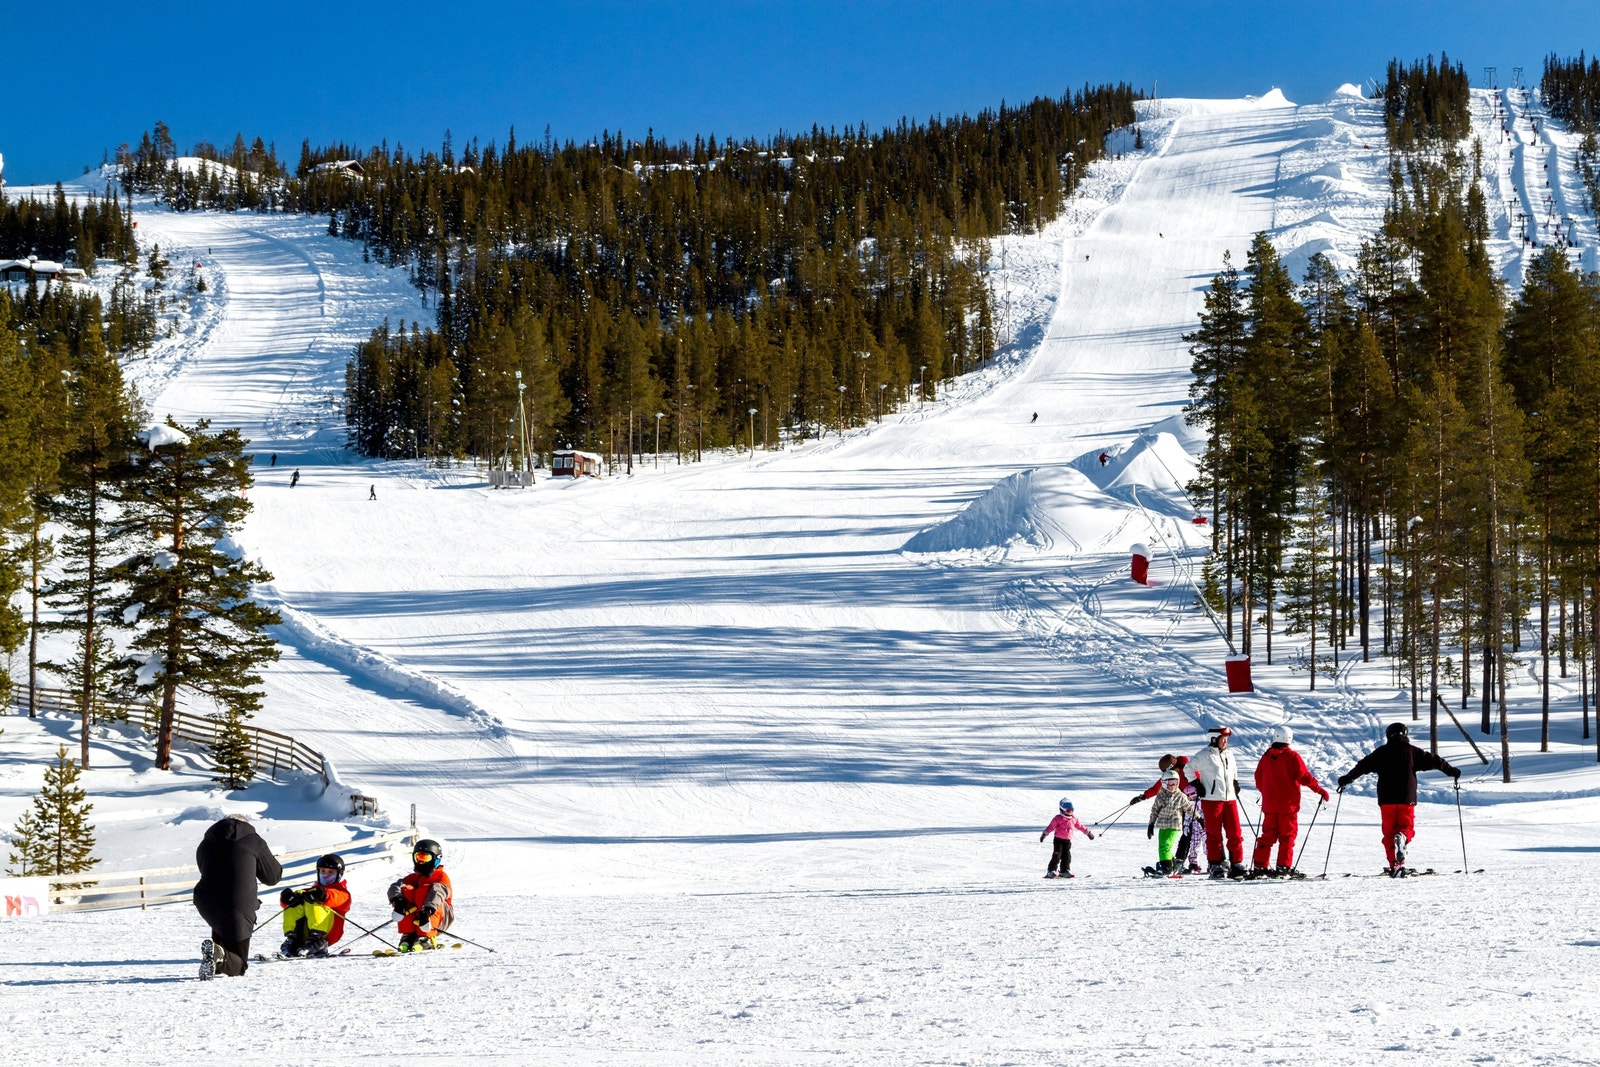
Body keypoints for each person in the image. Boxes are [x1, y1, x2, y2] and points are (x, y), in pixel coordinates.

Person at [1337, 722, 1460, 877]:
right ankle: (1402, 837)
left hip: (1386, 799)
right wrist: (1451, 771)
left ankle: (1395, 865)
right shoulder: (1412, 752)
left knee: (1388, 834)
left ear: (1389, 735)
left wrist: (1348, 778)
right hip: (1406, 797)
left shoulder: (1381, 752)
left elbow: (1363, 765)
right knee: (1406, 827)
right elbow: (1435, 760)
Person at [193, 813, 283, 979]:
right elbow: (272, 877)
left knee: (222, 929)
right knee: (239, 965)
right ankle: (219, 954)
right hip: (238, 903)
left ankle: (217, 957)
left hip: (206, 900)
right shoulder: (254, 840)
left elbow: (204, 868)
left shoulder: (206, 843)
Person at [1251, 726, 1330, 878]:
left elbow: (1258, 778)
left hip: (1269, 805)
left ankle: (1260, 866)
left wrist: (1267, 793)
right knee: (1287, 837)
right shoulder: (1292, 756)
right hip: (1288, 805)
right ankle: (1283, 867)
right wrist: (1319, 790)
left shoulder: (1266, 757)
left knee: (1267, 836)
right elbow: (1304, 777)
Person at [1189, 726, 1246, 879]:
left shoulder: (1229, 754)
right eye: (1223, 739)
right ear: (1214, 739)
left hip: (1230, 800)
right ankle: (1216, 864)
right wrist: (1197, 784)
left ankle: (1236, 863)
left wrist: (1235, 782)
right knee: (1214, 834)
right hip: (1212, 800)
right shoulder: (1204, 755)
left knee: (1235, 833)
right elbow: (1188, 768)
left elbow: (1233, 770)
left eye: (1226, 739)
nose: (1226, 742)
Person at [278, 853, 353, 957]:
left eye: (331, 872)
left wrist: (324, 895)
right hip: (304, 933)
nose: (326, 874)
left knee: (315, 900)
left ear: (339, 874)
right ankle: (293, 940)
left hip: (327, 934)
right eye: (323, 871)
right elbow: (288, 903)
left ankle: (318, 942)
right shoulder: (312, 891)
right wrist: (286, 899)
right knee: (300, 897)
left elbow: (341, 900)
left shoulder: (341, 893)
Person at [388, 838, 454, 950]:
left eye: (425, 857)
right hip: (420, 917)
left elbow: (438, 893)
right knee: (406, 890)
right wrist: (398, 900)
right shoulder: (414, 877)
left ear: (435, 859)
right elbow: (396, 886)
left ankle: (427, 937)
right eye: (418, 857)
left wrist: (427, 910)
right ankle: (409, 935)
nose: (421, 861)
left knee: (425, 890)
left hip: (440, 917)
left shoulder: (441, 877)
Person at [1145, 770, 1195, 876]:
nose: (1173, 785)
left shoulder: (1181, 796)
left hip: (1174, 826)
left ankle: (1167, 869)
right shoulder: (1160, 796)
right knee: (1162, 847)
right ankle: (1172, 866)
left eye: (1175, 783)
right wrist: (1151, 824)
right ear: (1164, 783)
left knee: (1165, 847)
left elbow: (1189, 808)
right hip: (1163, 825)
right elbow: (1155, 810)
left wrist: (1199, 819)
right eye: (1170, 783)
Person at [1038, 798, 1094, 879]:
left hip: (1067, 841)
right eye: (1068, 811)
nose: (1070, 812)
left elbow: (1080, 826)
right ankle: (1051, 870)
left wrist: (1088, 833)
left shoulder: (1074, 819)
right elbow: (1050, 827)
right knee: (1057, 855)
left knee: (1067, 856)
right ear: (1062, 810)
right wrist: (1044, 834)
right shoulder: (1058, 818)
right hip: (1058, 840)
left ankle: (1064, 871)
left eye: (1072, 810)